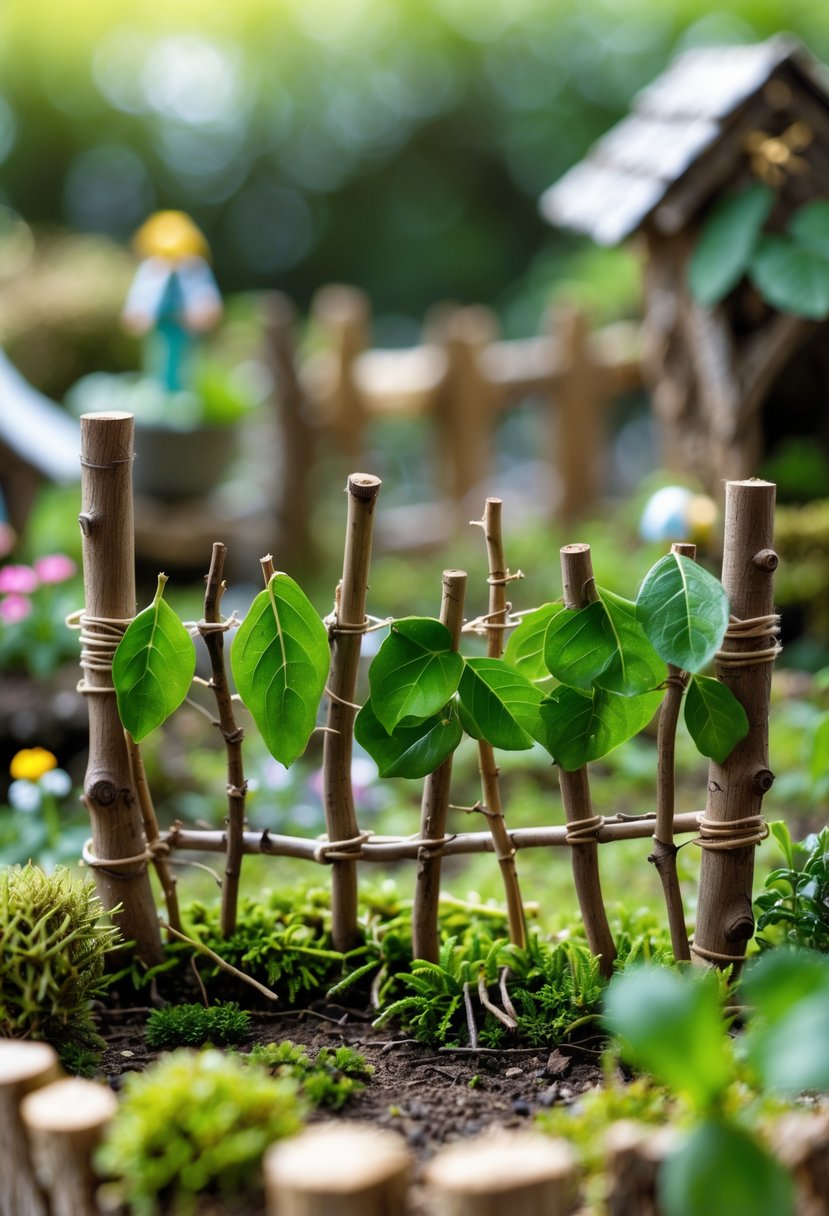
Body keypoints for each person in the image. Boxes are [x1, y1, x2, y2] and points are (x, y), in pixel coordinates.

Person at [122, 210, 222, 392]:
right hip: (159, 334)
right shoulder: (151, 270)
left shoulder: (194, 269)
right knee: (157, 367)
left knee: (186, 370)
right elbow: (135, 312)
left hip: (186, 334)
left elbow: (208, 307)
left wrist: (199, 316)